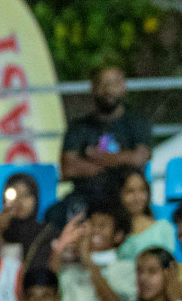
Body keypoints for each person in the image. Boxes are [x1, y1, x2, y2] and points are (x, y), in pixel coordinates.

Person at [52, 205, 136, 301]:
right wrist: (61, 246)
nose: (94, 232)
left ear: (117, 235)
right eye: (90, 226)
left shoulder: (128, 269)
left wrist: (89, 261)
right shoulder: (69, 273)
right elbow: (45, 292)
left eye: (102, 226)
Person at [60, 66, 152, 206]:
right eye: (103, 84)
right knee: (55, 214)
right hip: (85, 197)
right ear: (93, 88)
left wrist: (96, 158)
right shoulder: (78, 127)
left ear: (123, 87)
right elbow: (68, 168)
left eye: (114, 84)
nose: (108, 90)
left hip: (125, 197)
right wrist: (119, 161)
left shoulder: (138, 123)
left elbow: (139, 158)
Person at [108, 164, 177, 261]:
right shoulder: (112, 232)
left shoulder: (163, 229)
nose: (137, 198)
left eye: (142, 190)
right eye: (130, 191)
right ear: (119, 195)